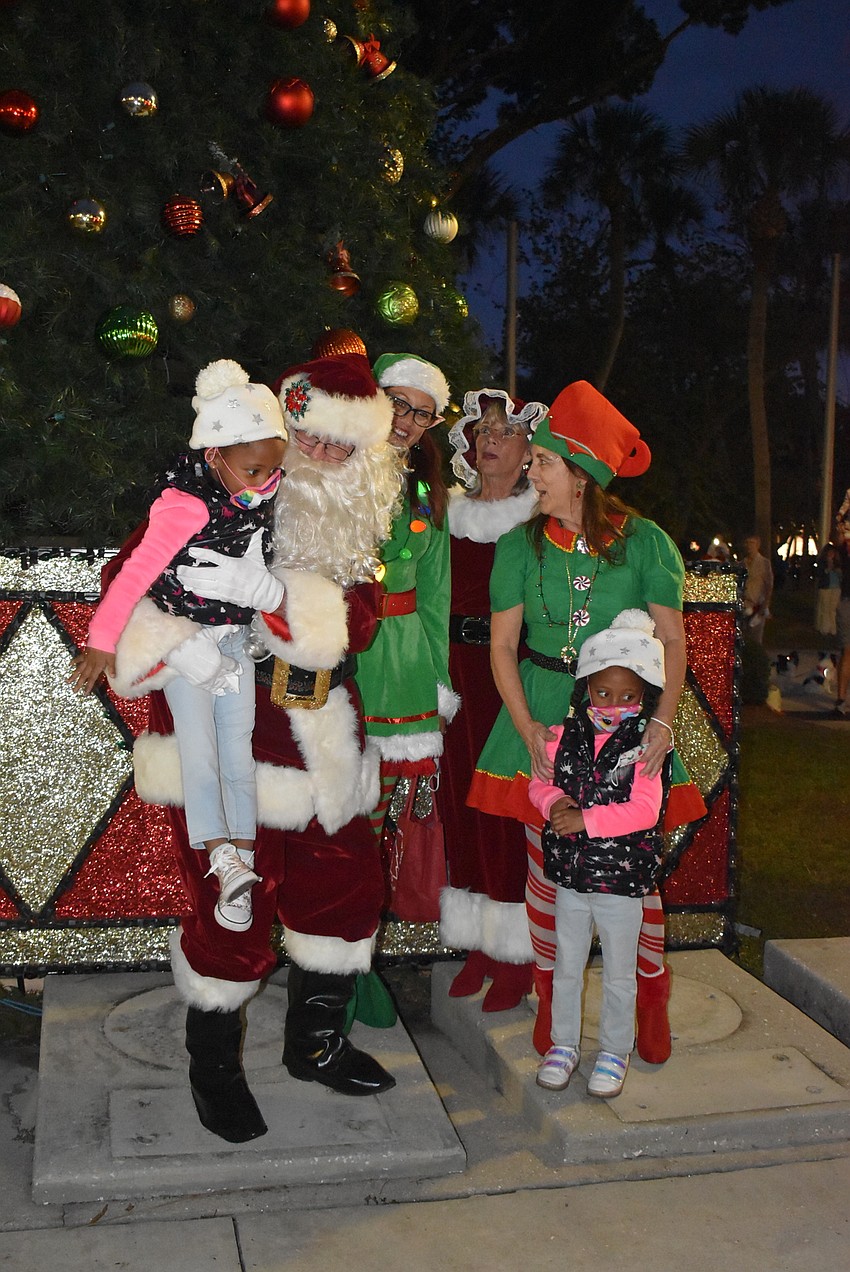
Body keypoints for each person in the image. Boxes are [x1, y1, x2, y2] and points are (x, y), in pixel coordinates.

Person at [128, 353, 404, 1142]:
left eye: (342, 448)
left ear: (366, 460)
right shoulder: (205, 496)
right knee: (233, 913)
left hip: (322, 746)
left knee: (346, 890)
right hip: (230, 744)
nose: (320, 458)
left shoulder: (358, 530)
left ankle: (315, 1045)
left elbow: (358, 622)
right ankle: (213, 1067)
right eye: (308, 438)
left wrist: (291, 606)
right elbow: (137, 576)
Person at [466, 381, 706, 1063]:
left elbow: (675, 642)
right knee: (546, 869)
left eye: (541, 461)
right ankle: (554, 1002)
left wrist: (662, 725)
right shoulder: (518, 545)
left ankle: (650, 995)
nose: (529, 471)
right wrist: (528, 732)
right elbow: (502, 647)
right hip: (541, 710)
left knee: (633, 872)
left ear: (582, 474)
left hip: (627, 720)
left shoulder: (647, 544)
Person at [69, 358, 287, 934]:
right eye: (254, 470)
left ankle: (241, 860)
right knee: (201, 754)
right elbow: (136, 571)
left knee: (239, 755)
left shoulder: (261, 484)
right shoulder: (184, 502)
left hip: (235, 639)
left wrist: (267, 590)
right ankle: (218, 852)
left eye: (273, 470)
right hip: (188, 643)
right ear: (215, 456)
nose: (265, 483)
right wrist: (102, 639)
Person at [529, 610, 671, 1098]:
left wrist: (585, 821)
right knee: (567, 965)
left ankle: (614, 1049)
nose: (614, 703)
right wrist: (555, 803)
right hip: (570, 878)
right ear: (586, 688)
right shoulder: (563, 735)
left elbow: (645, 811)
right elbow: (539, 784)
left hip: (619, 883)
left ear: (643, 696)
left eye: (628, 696)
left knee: (617, 973)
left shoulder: (646, 747)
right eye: (603, 693)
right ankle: (563, 1043)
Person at [439, 387, 548, 1011]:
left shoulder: (541, 520)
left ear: (529, 447)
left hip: (513, 675)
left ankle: (517, 950)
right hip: (455, 674)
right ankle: (478, 940)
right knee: (462, 801)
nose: (490, 441)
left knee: (510, 804)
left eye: (504, 432)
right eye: (482, 432)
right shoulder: (448, 514)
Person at [354, 353, 459, 902]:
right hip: (346, 655)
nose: (407, 421)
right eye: (398, 403)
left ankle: (360, 942)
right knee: (338, 811)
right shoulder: (332, 465)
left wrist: (438, 679)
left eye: (422, 413)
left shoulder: (430, 492)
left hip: (403, 662)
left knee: (380, 814)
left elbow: (436, 597)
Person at [741, 534, 773, 644]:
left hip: (757, 605)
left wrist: (764, 606)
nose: (749, 546)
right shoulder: (742, 563)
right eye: (748, 543)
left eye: (752, 543)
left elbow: (768, 586)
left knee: (756, 640)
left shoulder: (764, 563)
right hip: (744, 605)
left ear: (758, 545)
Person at [815, 543, 842, 637]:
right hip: (825, 587)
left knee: (832, 609)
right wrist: (827, 569)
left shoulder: (838, 563)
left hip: (836, 587)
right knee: (825, 608)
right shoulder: (821, 562)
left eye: (833, 553)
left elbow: (841, 575)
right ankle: (824, 628)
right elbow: (819, 574)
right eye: (830, 552)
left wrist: (838, 571)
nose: (831, 554)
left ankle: (832, 629)